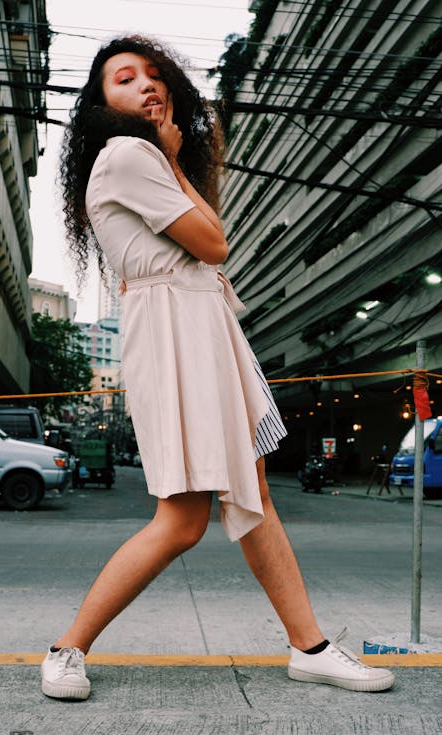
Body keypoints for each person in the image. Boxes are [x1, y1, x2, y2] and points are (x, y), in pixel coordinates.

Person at [41, 36, 394, 700]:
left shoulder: (147, 158)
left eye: (154, 75)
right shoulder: (127, 155)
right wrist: (172, 161)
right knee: (180, 518)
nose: (147, 85)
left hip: (197, 321)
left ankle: (310, 645)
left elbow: (207, 240)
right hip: (176, 328)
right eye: (124, 78)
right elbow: (214, 240)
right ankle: (67, 647)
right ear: (100, 103)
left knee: (253, 495)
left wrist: (176, 162)